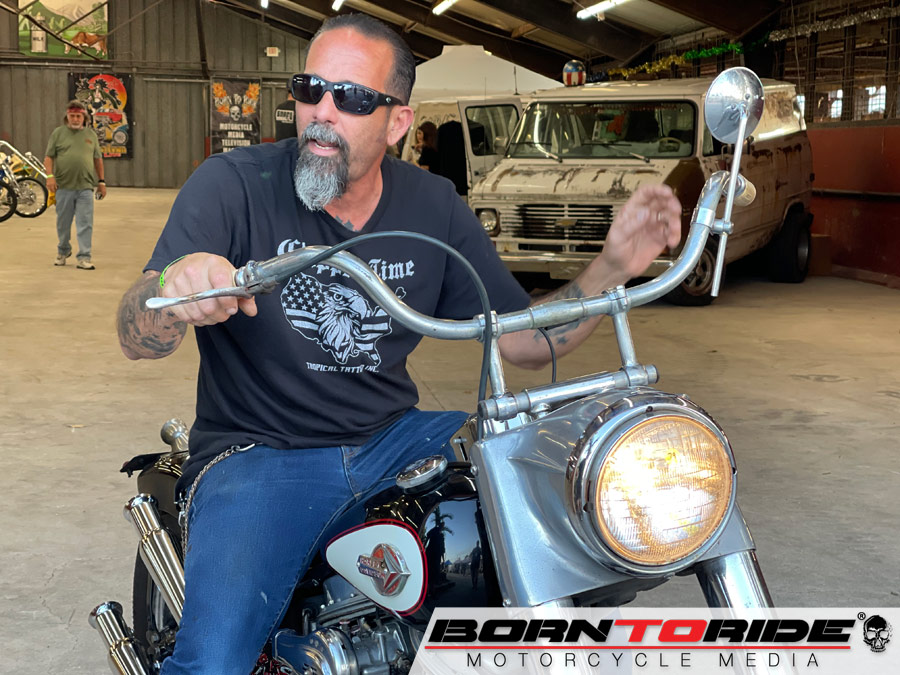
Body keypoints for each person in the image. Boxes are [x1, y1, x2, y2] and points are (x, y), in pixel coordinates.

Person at [115, 13, 680, 674]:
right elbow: (135, 333)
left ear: (397, 123)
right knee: (211, 664)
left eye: (352, 98)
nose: (323, 112)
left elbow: (524, 341)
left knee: (541, 504)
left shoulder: (433, 205)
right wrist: (174, 287)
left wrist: (612, 266)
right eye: (310, 89)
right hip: (260, 450)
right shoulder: (234, 183)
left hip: (395, 437)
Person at [45, 99, 106, 270]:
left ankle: (84, 257)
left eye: (78, 116)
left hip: (85, 187)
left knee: (85, 223)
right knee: (63, 223)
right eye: (72, 116)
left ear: (84, 117)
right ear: (67, 117)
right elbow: (49, 157)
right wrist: (50, 176)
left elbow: (98, 159)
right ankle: (63, 251)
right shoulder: (58, 133)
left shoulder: (91, 135)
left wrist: (101, 182)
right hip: (63, 187)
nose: (75, 119)